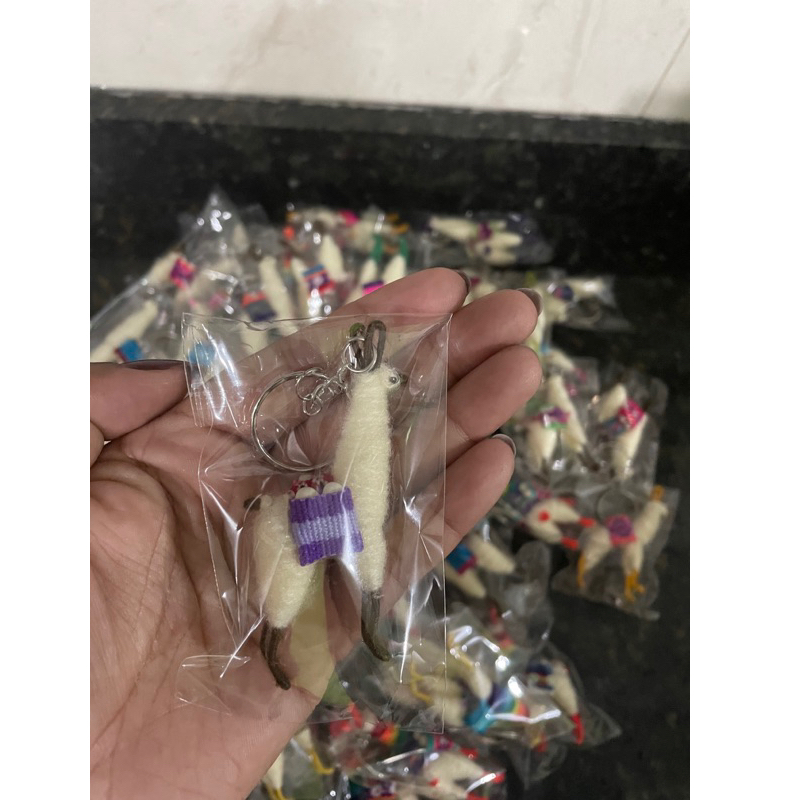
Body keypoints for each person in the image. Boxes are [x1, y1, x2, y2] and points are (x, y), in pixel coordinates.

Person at [90, 269, 542, 799]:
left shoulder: (368, 435)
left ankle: (346, 628)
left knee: (367, 556)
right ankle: (275, 643)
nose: (393, 389)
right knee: (303, 585)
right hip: (311, 516)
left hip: (341, 503)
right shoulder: (357, 426)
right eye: (387, 384)